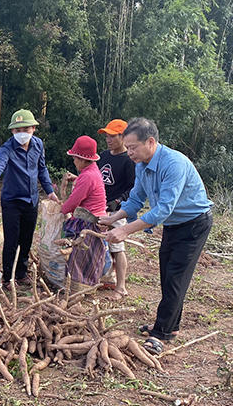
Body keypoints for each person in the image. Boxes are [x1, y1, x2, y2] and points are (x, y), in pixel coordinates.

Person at [101, 118, 213, 355]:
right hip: (174, 225)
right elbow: (135, 200)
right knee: (167, 275)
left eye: (133, 147)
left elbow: (163, 209)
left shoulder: (174, 163)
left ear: (150, 142)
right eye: (127, 147)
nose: (129, 152)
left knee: (176, 278)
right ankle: (171, 327)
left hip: (193, 225)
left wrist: (125, 230)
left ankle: (159, 335)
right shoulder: (142, 166)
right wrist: (113, 218)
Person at [0, 109, 60, 288]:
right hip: (12, 200)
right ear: (12, 132)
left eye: (25, 129)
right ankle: (8, 277)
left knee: (26, 239)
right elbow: (0, 163)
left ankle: (21, 273)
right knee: (11, 239)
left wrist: (50, 191)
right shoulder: (8, 147)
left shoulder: (38, 145)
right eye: (17, 130)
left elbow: (42, 169)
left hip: (31, 200)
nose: (21, 134)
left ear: (33, 128)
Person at [59, 135, 108, 292]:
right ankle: (85, 287)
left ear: (81, 159)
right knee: (90, 258)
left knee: (80, 258)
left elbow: (74, 201)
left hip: (89, 221)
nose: (73, 162)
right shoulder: (92, 171)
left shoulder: (87, 176)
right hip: (99, 218)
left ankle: (77, 290)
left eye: (75, 158)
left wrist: (61, 210)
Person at [96, 119, 135, 297]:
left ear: (123, 137)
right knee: (98, 243)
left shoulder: (129, 160)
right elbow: (95, 178)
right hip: (99, 208)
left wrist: (118, 202)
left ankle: (121, 286)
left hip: (117, 210)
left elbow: (133, 188)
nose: (108, 139)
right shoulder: (103, 156)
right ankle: (107, 277)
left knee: (117, 247)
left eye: (112, 136)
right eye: (107, 136)